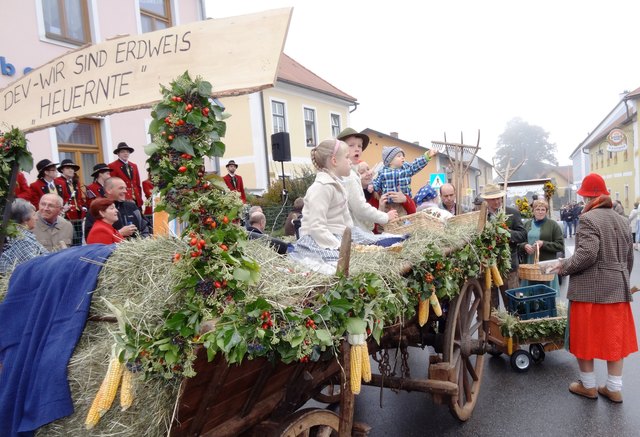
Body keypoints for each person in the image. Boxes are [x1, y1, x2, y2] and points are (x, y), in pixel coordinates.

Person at [548, 173, 637, 403]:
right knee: (614, 339)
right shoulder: (622, 219)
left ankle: (588, 386)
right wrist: (623, 280)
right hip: (617, 287)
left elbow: (587, 254)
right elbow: (628, 258)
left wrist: (563, 266)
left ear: (587, 196)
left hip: (590, 290)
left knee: (585, 338)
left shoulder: (588, 218)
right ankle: (613, 388)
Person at [338, 127, 398, 233]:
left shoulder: (347, 174)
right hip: (357, 232)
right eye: (351, 145)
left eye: (359, 146)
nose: (357, 149)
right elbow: (360, 208)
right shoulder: (349, 176)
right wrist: (385, 216)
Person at [480, 183, 527, 308]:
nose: (496, 202)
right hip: (488, 267)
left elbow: (523, 235)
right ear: (486, 200)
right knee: (491, 306)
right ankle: (493, 327)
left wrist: (506, 233)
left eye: (498, 198)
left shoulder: (512, 213)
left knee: (513, 304)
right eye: (493, 199)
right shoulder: (480, 216)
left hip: (509, 266)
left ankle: (514, 325)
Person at [517, 199, 564, 292]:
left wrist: (544, 244)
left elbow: (560, 245)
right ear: (533, 211)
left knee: (545, 292)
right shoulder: (527, 224)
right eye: (537, 209)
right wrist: (524, 246)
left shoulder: (553, 225)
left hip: (546, 265)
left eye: (543, 209)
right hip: (530, 266)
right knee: (530, 292)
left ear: (546, 211)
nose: (540, 212)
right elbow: (519, 242)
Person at [84, 177, 151, 240]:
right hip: (111, 251)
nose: (125, 191)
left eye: (125, 188)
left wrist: (142, 242)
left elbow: (145, 227)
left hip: (137, 250)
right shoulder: (98, 208)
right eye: (121, 188)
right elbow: (91, 237)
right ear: (109, 190)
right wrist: (119, 233)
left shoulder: (132, 206)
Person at [370, 146, 436, 202]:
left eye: (403, 156)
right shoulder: (383, 172)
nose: (402, 157)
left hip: (404, 201)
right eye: (399, 156)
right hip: (389, 203)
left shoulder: (406, 169)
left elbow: (416, 165)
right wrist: (372, 187)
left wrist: (427, 156)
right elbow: (377, 183)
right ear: (389, 161)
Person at [0, 199, 48, 274]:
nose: (37, 218)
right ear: (25, 219)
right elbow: (36, 268)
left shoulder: (19, 235)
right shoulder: (21, 239)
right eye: (34, 215)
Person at [108, 142, 143, 208]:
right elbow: (113, 185)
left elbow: (138, 184)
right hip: (123, 199)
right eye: (123, 152)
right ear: (118, 154)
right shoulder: (112, 166)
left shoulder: (134, 166)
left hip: (136, 199)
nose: (126, 153)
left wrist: (139, 198)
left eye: (127, 152)